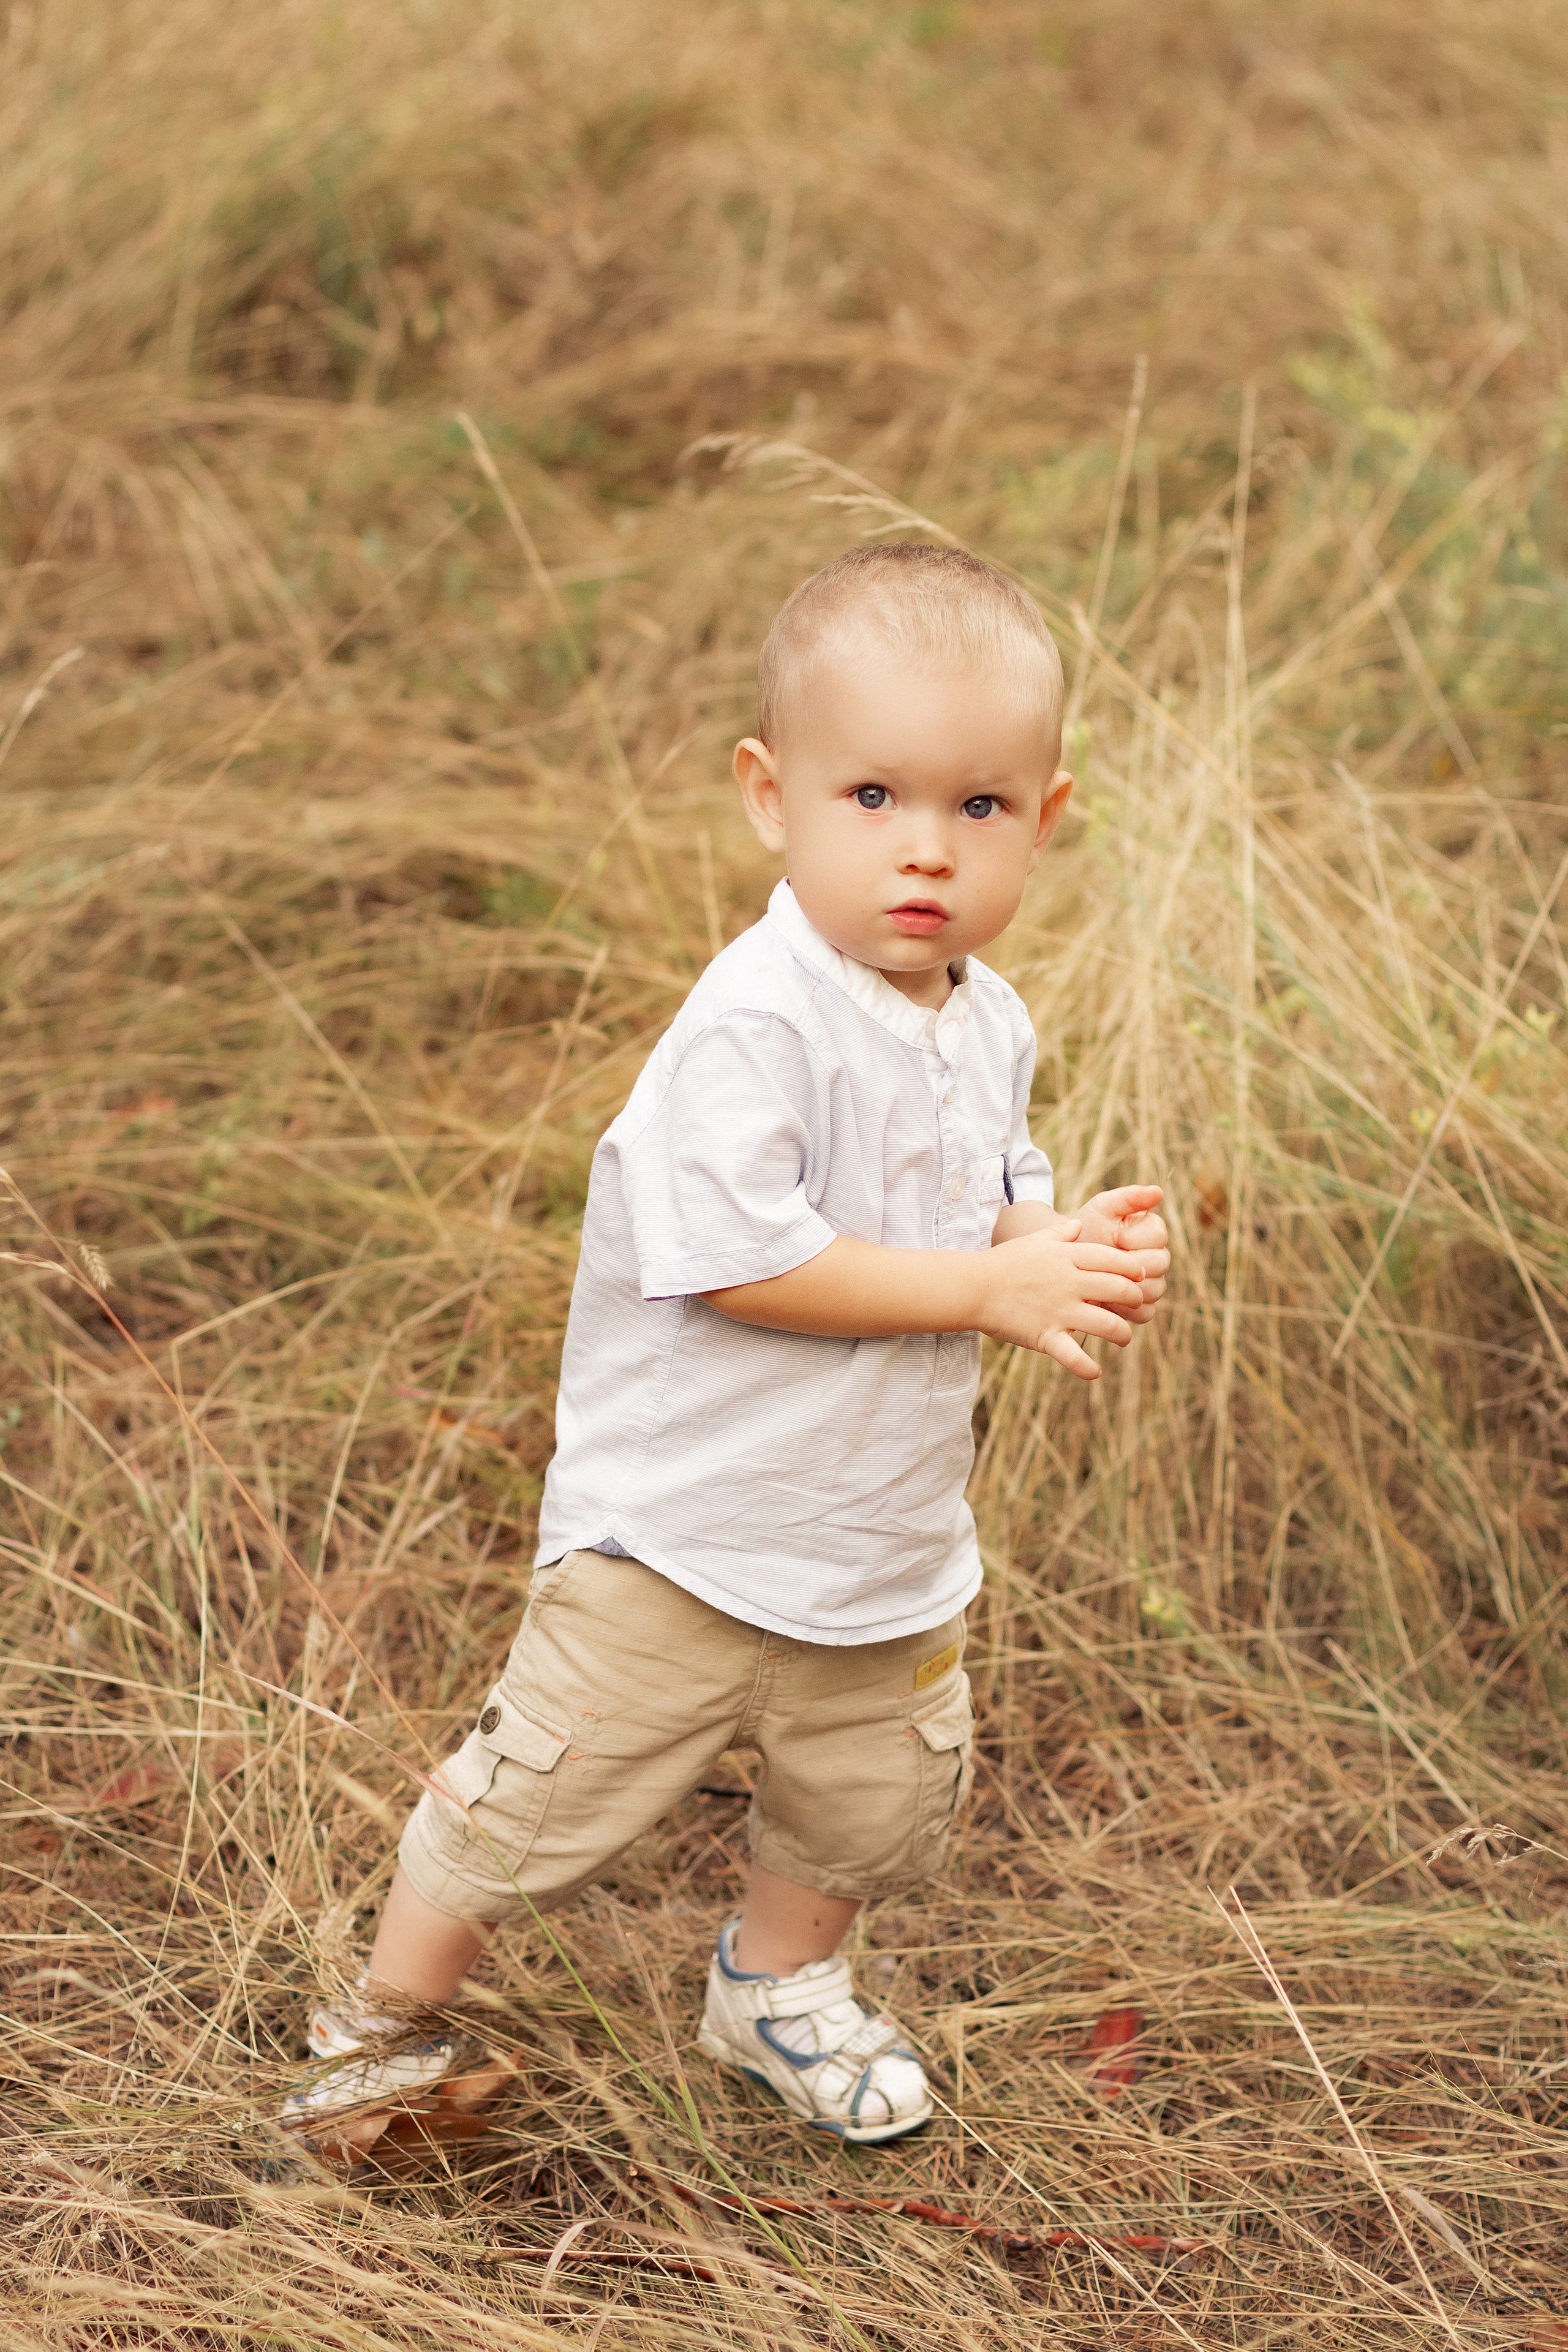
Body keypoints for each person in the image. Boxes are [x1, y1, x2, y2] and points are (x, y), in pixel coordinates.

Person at [281, 541, 1169, 2162]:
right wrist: (984, 1295)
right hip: (680, 1539)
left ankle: (776, 1983)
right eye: (873, 796)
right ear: (772, 796)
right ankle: (381, 2027)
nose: (923, 851)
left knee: (863, 1791)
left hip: (872, 1533)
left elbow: (982, 1218)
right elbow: (754, 1266)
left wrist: (1063, 1252)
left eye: (977, 810)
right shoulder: (756, 1024)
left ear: (1045, 819)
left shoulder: (991, 1018)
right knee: (534, 1797)